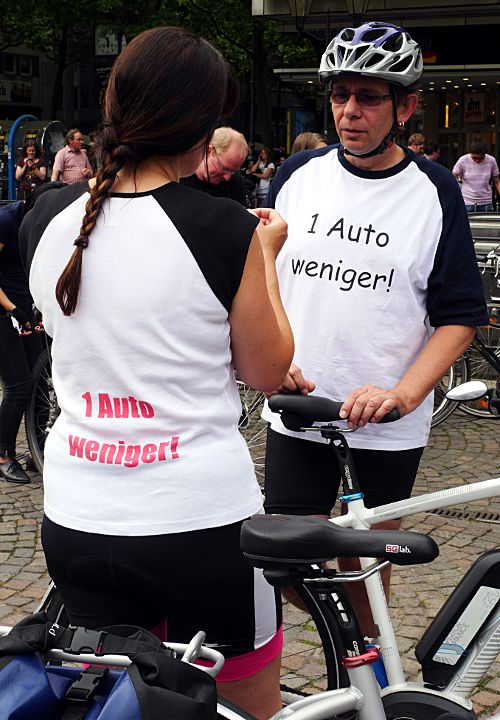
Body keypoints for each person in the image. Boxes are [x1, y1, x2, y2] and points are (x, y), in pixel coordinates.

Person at [19, 26, 293, 720]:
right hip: (200, 527)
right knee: (242, 710)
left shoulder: (47, 219)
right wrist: (267, 256)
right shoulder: (227, 228)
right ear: (206, 129)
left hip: (78, 519)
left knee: (121, 705)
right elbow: (268, 370)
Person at [262, 20, 488, 638]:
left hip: (384, 425)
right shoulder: (297, 174)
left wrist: (402, 395)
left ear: (406, 105)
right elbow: (267, 280)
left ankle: (378, 686)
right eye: (340, 95)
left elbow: (461, 314)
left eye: (369, 97)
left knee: (362, 567)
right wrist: (267, 355)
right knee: (279, 559)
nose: (350, 111)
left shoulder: (434, 191)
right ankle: (352, 652)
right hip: (301, 407)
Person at [180, 126, 248, 205]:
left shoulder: (235, 183)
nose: (227, 177)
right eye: (224, 168)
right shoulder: (180, 176)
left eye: (233, 171)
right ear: (208, 151)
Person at [453, 138, 500, 212]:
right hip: (467, 202)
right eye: (474, 158)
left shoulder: (491, 161)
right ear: (470, 153)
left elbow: (497, 181)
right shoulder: (463, 160)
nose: (477, 160)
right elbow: (453, 177)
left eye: (480, 158)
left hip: (486, 202)